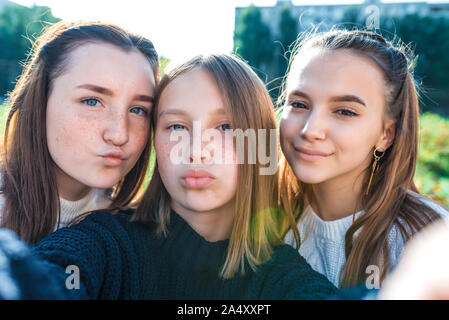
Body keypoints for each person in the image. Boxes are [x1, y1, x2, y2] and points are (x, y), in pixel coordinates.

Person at [0, 53, 337, 299]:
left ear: (261, 143)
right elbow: (50, 275)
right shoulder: (106, 241)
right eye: (176, 127)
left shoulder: (282, 274)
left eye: (225, 127)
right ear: (155, 142)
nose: (196, 151)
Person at [278, 29, 449, 288]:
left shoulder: (427, 239)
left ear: (386, 134)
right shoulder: (265, 220)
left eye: (345, 111)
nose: (310, 130)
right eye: (299, 104)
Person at [0, 21, 159, 244]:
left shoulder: (137, 234)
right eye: (92, 101)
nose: (120, 134)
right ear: (40, 102)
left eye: (137, 110)